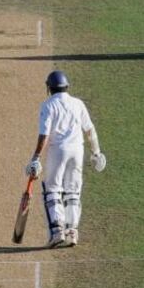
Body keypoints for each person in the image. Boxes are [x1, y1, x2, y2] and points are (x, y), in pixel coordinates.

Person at [25, 71, 106, 248]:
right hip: (78, 150)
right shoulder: (78, 103)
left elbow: (44, 135)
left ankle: (56, 231)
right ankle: (72, 232)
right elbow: (90, 130)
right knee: (73, 191)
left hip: (58, 151)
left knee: (53, 190)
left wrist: (36, 158)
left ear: (49, 88)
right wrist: (96, 152)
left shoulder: (48, 105)